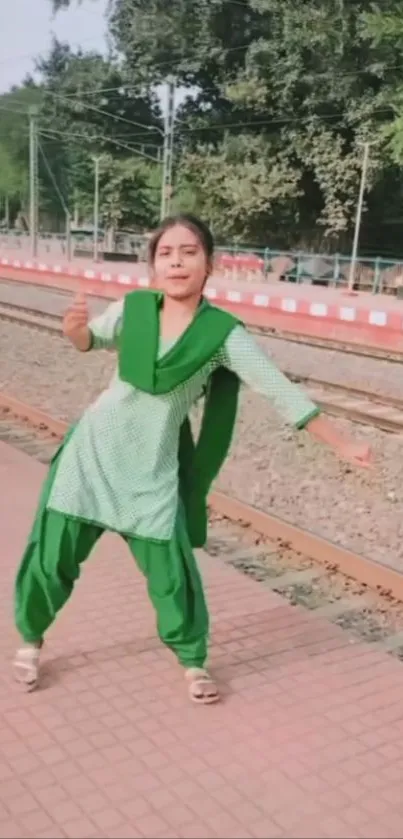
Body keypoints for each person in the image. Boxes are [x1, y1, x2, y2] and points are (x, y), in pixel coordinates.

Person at [13, 213, 371, 704]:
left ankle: (192, 662)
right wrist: (73, 329)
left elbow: (278, 389)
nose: (176, 262)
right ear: (153, 267)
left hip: (150, 472)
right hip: (90, 456)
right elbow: (89, 341)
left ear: (209, 264)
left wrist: (342, 443)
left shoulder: (222, 336)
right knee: (51, 559)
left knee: (171, 575)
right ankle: (31, 641)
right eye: (166, 253)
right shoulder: (133, 309)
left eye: (189, 252)